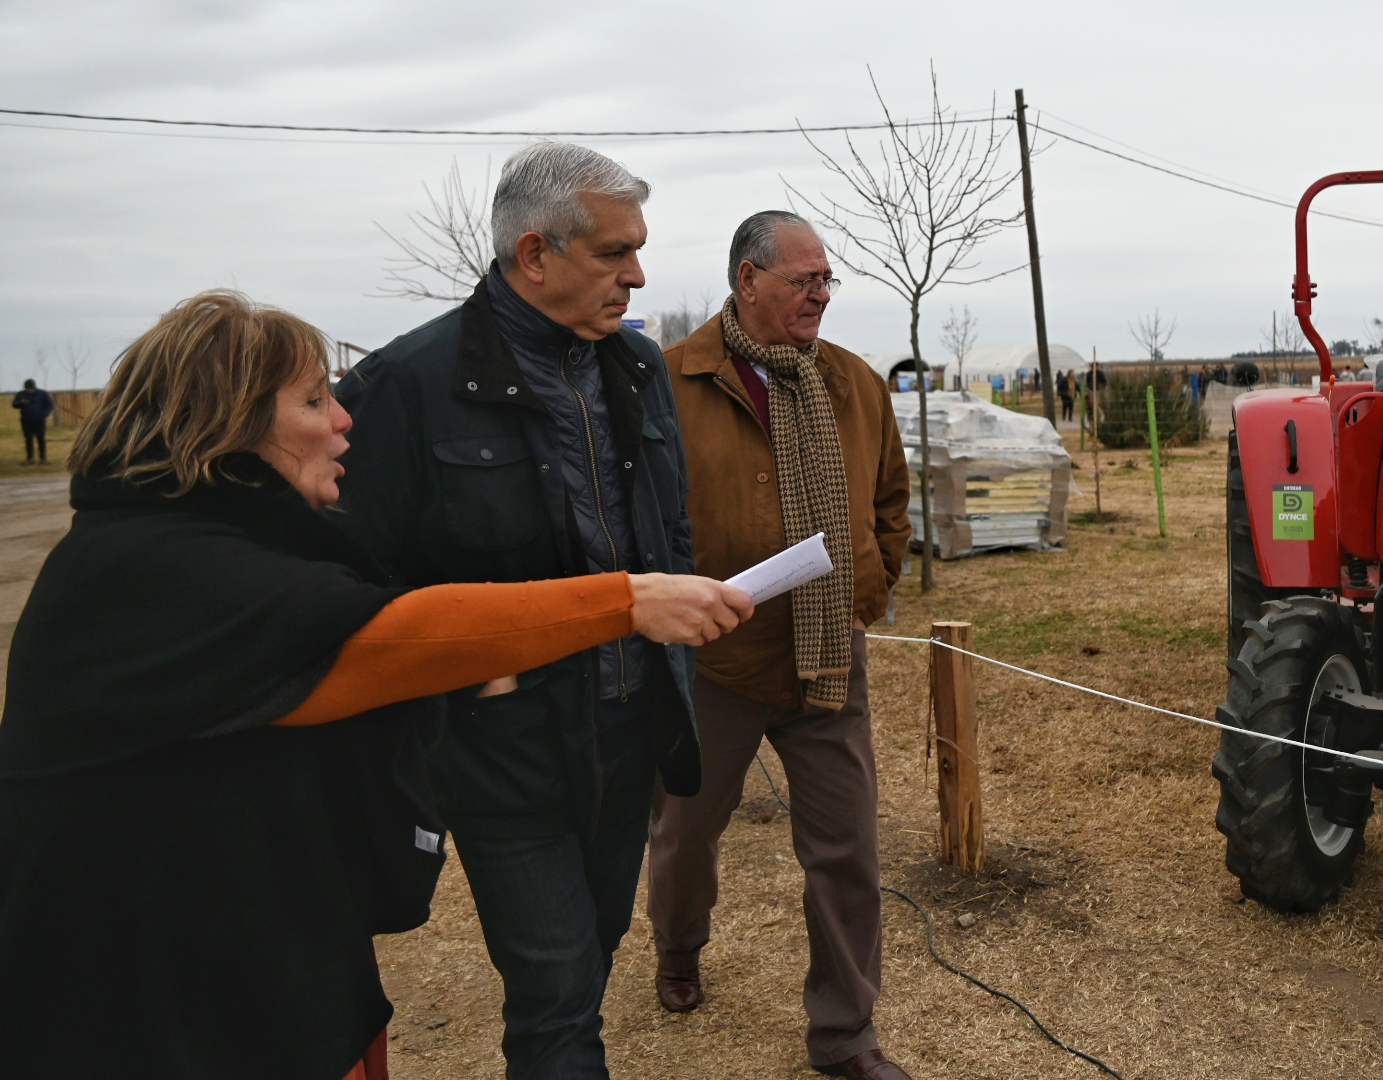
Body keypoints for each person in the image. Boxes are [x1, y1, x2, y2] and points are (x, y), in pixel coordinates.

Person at [0, 291, 751, 1080]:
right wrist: (626, 601)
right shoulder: (153, 571)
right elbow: (386, 639)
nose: (344, 419)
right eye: (316, 399)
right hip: (145, 1011)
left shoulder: (214, 543)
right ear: (231, 423)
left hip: (245, 967)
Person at [331, 141, 725, 1078]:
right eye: (613, 253)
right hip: (503, 749)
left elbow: (666, 527)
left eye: (638, 250)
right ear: (534, 254)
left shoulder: (635, 365)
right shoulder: (405, 386)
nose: (637, 275)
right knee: (554, 996)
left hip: (631, 734)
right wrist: (454, 670)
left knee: (592, 959)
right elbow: (349, 579)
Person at [650, 210, 913, 1080]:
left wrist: (866, 591)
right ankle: (678, 945)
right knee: (687, 834)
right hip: (715, 661)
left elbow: (889, 504)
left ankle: (845, 1035)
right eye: (804, 280)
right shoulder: (670, 382)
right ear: (747, 280)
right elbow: (643, 515)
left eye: (827, 280)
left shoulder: (855, 384)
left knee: (848, 852)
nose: (821, 295)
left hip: (829, 656)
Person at [12, 377, 53, 463]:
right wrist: (21, 403)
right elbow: (14, 405)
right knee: (28, 439)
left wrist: (44, 414)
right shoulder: (21, 394)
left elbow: (49, 405)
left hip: (39, 421)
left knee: (41, 439)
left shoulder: (42, 394)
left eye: (31, 388)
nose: (30, 390)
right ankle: (30, 458)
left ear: (34, 387)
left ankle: (43, 458)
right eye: (28, 388)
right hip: (26, 421)